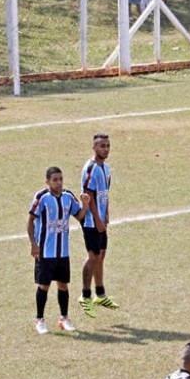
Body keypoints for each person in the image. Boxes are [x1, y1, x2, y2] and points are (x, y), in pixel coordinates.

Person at [27, 167, 91, 334]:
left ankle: (64, 318)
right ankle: (39, 320)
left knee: (63, 285)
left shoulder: (68, 197)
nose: (59, 182)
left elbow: (79, 216)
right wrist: (34, 244)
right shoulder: (41, 198)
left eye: (61, 179)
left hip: (62, 251)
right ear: (47, 181)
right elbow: (30, 221)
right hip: (45, 252)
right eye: (55, 179)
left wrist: (85, 204)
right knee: (44, 286)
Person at [75, 133, 117, 317]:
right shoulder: (91, 168)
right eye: (102, 146)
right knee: (93, 256)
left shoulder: (106, 168)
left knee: (101, 255)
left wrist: (106, 214)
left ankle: (100, 294)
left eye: (107, 145)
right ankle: (85, 296)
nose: (105, 149)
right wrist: (98, 220)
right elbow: (88, 197)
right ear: (94, 148)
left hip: (100, 219)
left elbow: (104, 193)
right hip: (91, 221)